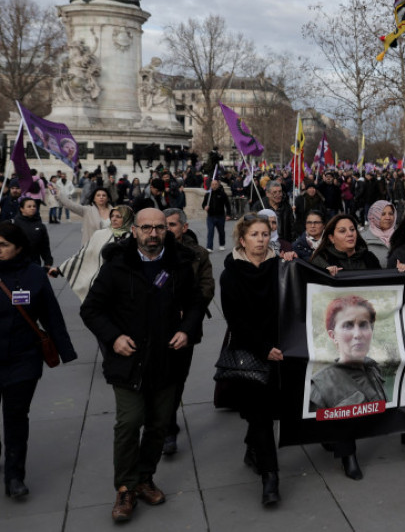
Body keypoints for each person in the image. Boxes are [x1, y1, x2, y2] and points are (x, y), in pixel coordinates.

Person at [80, 208, 206, 521]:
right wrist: (114, 338)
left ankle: (144, 478)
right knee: (129, 422)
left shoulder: (178, 263)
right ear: (134, 230)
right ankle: (125, 488)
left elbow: (195, 303)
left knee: (159, 423)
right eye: (146, 228)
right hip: (129, 360)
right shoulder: (117, 265)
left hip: (166, 358)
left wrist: (186, 330)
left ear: (168, 230)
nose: (153, 234)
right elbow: (91, 310)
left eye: (160, 228)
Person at [0, 222, 77, 499]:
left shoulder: (34, 275)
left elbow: (51, 315)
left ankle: (14, 476)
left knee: (16, 417)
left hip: (23, 359)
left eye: (3, 245)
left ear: (18, 247)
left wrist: (65, 351)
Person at [219, 213, 283, 506]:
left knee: (268, 411)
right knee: (260, 413)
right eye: (254, 235)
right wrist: (263, 347)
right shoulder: (231, 273)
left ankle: (252, 446)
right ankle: (270, 478)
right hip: (250, 349)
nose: (260, 240)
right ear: (242, 240)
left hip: (281, 348)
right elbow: (235, 318)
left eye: (265, 234)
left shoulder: (281, 267)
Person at [308, 296, 389, 478]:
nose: (357, 334)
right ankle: (347, 456)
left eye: (364, 325)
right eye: (347, 325)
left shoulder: (374, 368)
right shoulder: (322, 383)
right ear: (332, 335)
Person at [161, 208, 215, 457]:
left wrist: (189, 310)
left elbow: (207, 288)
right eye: (164, 225)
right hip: (155, 325)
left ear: (184, 227)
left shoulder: (198, 254)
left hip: (185, 326)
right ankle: (165, 425)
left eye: (172, 225)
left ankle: (168, 425)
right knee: (160, 376)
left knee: (177, 377)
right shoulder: (150, 250)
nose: (166, 229)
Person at [53, 205, 133, 302]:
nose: (114, 219)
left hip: (127, 285)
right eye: (112, 216)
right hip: (104, 283)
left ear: (127, 218)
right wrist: (60, 269)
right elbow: (82, 256)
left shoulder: (134, 237)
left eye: (118, 216)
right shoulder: (100, 235)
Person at [310, 214, 382, 274]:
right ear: (331, 238)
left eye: (352, 229)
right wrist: (324, 275)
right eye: (342, 231)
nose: (350, 234)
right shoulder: (321, 260)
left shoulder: (369, 257)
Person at [52, 183, 114, 248]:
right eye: (98, 195)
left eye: (104, 195)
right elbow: (71, 205)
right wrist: (58, 193)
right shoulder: (87, 210)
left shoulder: (114, 212)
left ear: (107, 198)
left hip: (109, 247)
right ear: (94, 199)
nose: (101, 197)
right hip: (92, 248)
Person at [11, 198, 53, 271]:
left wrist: (48, 262)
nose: (32, 208)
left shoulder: (40, 225)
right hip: (16, 263)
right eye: (29, 206)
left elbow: (45, 246)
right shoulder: (13, 224)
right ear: (22, 209)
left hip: (34, 262)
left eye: (34, 206)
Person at [361, 200, 396, 265]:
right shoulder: (362, 239)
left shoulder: (401, 236)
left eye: (391, 214)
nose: (388, 217)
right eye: (383, 214)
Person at [202, 179, 231, 252]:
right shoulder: (208, 194)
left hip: (220, 216)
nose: (214, 186)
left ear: (218, 185)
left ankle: (222, 244)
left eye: (215, 184)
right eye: (212, 184)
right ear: (211, 185)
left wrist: (228, 214)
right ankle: (209, 247)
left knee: (221, 231)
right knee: (210, 231)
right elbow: (203, 204)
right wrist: (205, 207)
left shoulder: (222, 194)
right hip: (211, 216)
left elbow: (227, 204)